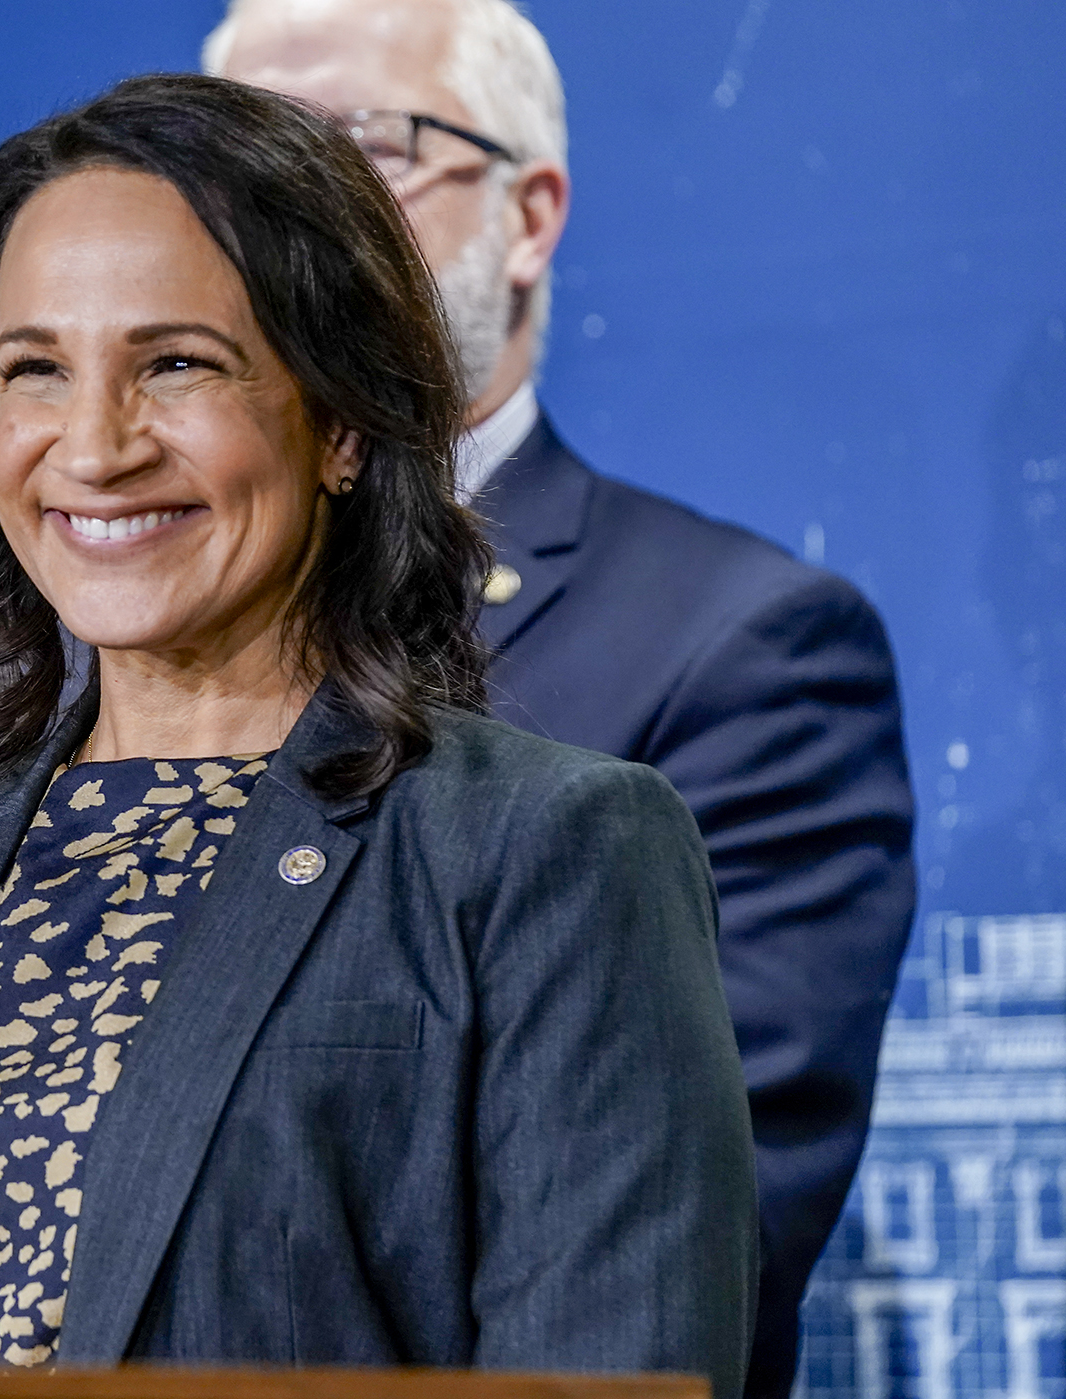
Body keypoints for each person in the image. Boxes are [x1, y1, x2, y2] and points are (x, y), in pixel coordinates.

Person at [0, 74, 757, 1395]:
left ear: (345, 423)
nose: (93, 445)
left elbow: (611, 1360)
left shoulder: (547, 850)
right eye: (37, 371)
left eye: (175, 364)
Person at [205, 3, 917, 1392]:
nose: (277, 231)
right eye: (231, 179)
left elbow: (685, 1233)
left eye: (366, 151)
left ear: (528, 217)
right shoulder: (82, 665)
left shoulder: (741, 650)